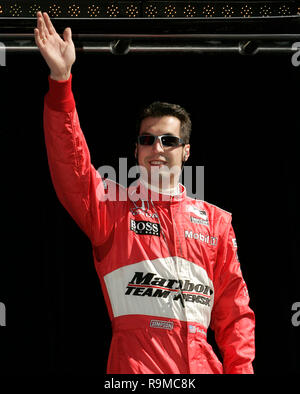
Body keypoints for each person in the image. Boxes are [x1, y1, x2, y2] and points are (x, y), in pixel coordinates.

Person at [34, 11, 255, 374]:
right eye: (147, 140)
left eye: (169, 140)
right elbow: (71, 166)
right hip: (137, 372)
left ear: (186, 151)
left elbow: (235, 313)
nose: (157, 147)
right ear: (136, 151)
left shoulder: (216, 221)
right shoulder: (112, 207)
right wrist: (61, 82)